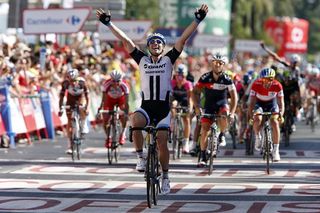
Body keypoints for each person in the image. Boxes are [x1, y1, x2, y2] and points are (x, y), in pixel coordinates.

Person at [97, 4, 208, 195]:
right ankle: (140, 157)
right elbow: (126, 40)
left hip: (163, 109)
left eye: (159, 43)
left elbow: (183, 39)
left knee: (162, 143)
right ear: (148, 47)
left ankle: (165, 176)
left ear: (163, 47)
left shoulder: (168, 60)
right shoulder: (142, 60)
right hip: (147, 107)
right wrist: (109, 24)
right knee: (135, 120)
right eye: (152, 43)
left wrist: (197, 20)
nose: (155, 45)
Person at [192, 53, 238, 167]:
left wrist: (232, 113)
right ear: (211, 63)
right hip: (209, 105)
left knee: (224, 113)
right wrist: (197, 107)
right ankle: (202, 155)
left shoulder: (227, 78)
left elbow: (234, 97)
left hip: (222, 104)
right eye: (215, 62)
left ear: (223, 65)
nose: (217, 65)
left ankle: (222, 134)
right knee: (205, 129)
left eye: (220, 63)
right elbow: (195, 92)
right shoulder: (205, 77)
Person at [248, 67, 284, 162]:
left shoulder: (278, 85)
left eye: (270, 79)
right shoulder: (256, 84)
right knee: (258, 119)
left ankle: (276, 151)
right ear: (261, 79)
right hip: (259, 104)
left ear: (274, 78)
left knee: (275, 122)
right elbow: (251, 103)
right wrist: (251, 115)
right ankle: (257, 136)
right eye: (265, 79)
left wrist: (281, 114)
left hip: (272, 104)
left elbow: (281, 103)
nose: (268, 81)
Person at [58, 68, 89, 154]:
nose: (73, 82)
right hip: (70, 100)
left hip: (81, 98)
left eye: (75, 80)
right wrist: (60, 108)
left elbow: (87, 97)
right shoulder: (65, 84)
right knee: (69, 122)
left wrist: (87, 108)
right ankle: (70, 145)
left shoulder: (82, 83)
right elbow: (61, 97)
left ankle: (83, 124)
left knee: (82, 109)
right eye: (71, 80)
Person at [97, 69, 129, 148]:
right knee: (105, 120)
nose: (115, 83)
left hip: (120, 100)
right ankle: (108, 138)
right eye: (113, 81)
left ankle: (123, 134)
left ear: (121, 80)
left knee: (124, 117)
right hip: (109, 100)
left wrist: (126, 113)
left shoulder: (125, 86)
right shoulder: (106, 84)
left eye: (118, 81)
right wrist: (100, 108)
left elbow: (126, 102)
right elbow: (103, 99)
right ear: (111, 80)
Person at [171, 63, 193, 153]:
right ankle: (173, 121)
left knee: (186, 119)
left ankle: (186, 142)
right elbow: (169, 96)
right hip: (175, 99)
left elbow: (190, 99)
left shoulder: (188, 84)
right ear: (175, 75)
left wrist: (190, 109)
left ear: (185, 76)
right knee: (173, 103)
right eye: (178, 76)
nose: (180, 78)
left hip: (184, 100)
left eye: (182, 76)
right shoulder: (172, 83)